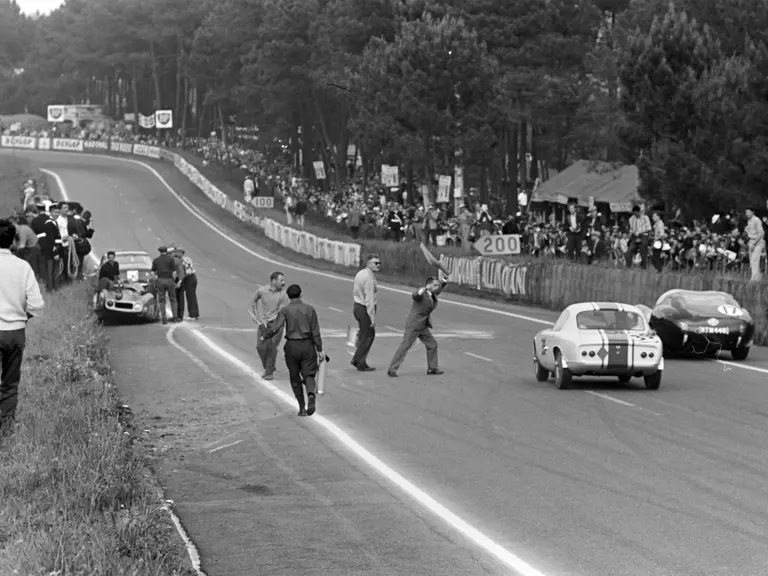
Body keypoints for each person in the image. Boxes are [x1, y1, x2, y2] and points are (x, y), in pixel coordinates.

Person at [0, 219, 44, 436]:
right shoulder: (22, 266)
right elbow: (37, 305)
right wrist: (22, 318)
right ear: (13, 241)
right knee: (9, 381)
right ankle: (6, 427)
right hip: (15, 331)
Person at [264, 284, 324, 417]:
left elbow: (277, 327)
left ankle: (302, 408)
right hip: (307, 345)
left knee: (295, 376)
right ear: (301, 294)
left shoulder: (285, 310)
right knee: (309, 374)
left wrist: (266, 334)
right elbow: (315, 332)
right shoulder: (310, 309)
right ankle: (311, 396)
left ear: (288, 296)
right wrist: (319, 348)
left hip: (292, 346)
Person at [387, 274, 448, 377]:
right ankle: (392, 369)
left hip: (423, 326)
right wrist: (421, 290)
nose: (438, 287)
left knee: (432, 344)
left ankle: (432, 368)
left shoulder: (432, 294)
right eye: (435, 285)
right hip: (414, 325)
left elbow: (439, 287)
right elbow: (415, 295)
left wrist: (444, 280)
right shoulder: (422, 294)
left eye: (438, 285)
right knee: (405, 346)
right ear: (428, 286)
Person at [251, 271, 289, 380]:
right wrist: (256, 315)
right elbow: (254, 300)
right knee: (260, 347)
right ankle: (269, 367)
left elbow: (282, 313)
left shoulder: (284, 295)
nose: (284, 282)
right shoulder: (262, 291)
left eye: (284, 280)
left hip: (277, 325)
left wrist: (276, 325)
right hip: (263, 324)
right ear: (273, 281)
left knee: (271, 347)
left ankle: (268, 373)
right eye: (281, 280)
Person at [351, 254, 380, 371]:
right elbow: (369, 300)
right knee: (368, 336)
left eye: (379, 263)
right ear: (369, 264)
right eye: (375, 263)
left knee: (365, 335)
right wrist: (372, 318)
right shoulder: (369, 279)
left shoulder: (361, 273)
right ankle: (358, 360)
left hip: (357, 305)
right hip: (364, 308)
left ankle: (359, 360)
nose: (378, 265)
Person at [151, 245, 180, 324]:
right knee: (173, 299)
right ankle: (175, 317)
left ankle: (164, 318)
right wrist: (173, 281)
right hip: (169, 280)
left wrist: (155, 281)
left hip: (160, 280)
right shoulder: (171, 259)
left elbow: (153, 273)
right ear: (166, 251)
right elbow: (174, 272)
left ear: (159, 252)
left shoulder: (156, 260)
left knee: (162, 300)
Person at [175, 248, 199, 320]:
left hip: (189, 278)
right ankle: (194, 313)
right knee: (189, 296)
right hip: (187, 278)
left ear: (182, 253)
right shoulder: (182, 260)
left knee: (191, 296)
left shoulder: (184, 260)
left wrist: (180, 280)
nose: (177, 253)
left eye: (178, 252)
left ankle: (193, 315)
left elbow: (185, 272)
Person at [745, 208, 765, 281]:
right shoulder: (749, 221)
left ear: (753, 212)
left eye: (748, 212)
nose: (747, 214)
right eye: (746, 212)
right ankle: (755, 278)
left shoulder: (757, 220)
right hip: (751, 241)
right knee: (752, 261)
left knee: (755, 260)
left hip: (757, 242)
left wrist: (754, 243)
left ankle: (754, 279)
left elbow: (761, 233)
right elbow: (752, 231)